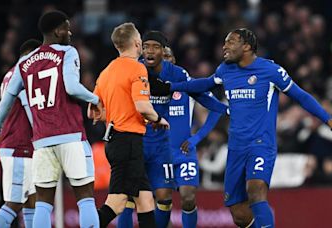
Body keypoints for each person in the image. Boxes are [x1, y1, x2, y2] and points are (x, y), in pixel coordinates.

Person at [161, 28, 332, 228]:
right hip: (235, 148)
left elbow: (301, 96)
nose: (224, 46)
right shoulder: (225, 70)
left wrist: (327, 119)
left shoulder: (270, 71)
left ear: (247, 46)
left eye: (230, 42)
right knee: (238, 213)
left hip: (261, 144)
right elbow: (204, 85)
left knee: (256, 190)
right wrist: (169, 87)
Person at [0, 11, 100, 228]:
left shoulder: (24, 62)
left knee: (42, 204)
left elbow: (8, 97)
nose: (70, 31)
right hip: (70, 135)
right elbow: (72, 86)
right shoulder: (68, 52)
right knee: (85, 198)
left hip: (41, 142)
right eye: (66, 27)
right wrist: (96, 99)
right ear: (57, 31)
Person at [117, 31, 228, 228]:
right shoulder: (142, 80)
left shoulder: (185, 83)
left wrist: (197, 137)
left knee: (187, 197)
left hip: (182, 150)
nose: (163, 60)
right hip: (151, 148)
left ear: (173, 61)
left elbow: (215, 107)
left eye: (167, 57)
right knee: (134, 197)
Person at [88, 23, 170, 228]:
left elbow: (93, 109)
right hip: (128, 141)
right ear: (136, 43)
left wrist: (107, 111)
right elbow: (142, 106)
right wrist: (158, 119)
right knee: (116, 203)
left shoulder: (106, 71)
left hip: (115, 140)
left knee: (145, 200)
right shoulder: (136, 68)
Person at [0, 38, 41, 228]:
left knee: (31, 199)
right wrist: (43, 132)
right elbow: (29, 107)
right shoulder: (25, 74)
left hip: (18, 145)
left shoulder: (9, 74)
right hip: (20, 146)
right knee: (14, 203)